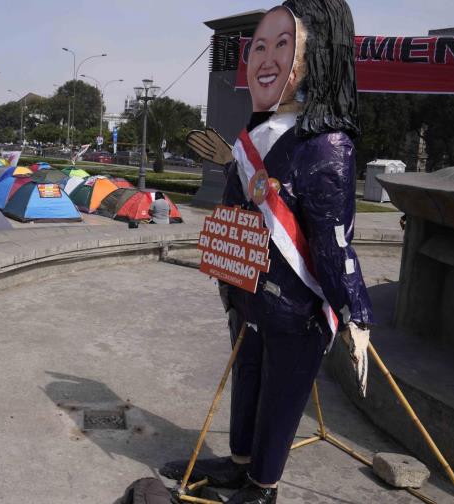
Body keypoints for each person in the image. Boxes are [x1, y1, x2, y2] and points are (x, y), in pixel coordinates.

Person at [161, 2, 372, 503]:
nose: (266, 57)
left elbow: (333, 239)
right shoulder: (255, 133)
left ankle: (264, 484)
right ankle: (238, 463)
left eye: (284, 45)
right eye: (259, 45)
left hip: (294, 304)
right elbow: (238, 207)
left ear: (318, 58)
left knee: (281, 396)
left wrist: (355, 312)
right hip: (247, 288)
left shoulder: (327, 144)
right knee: (247, 379)